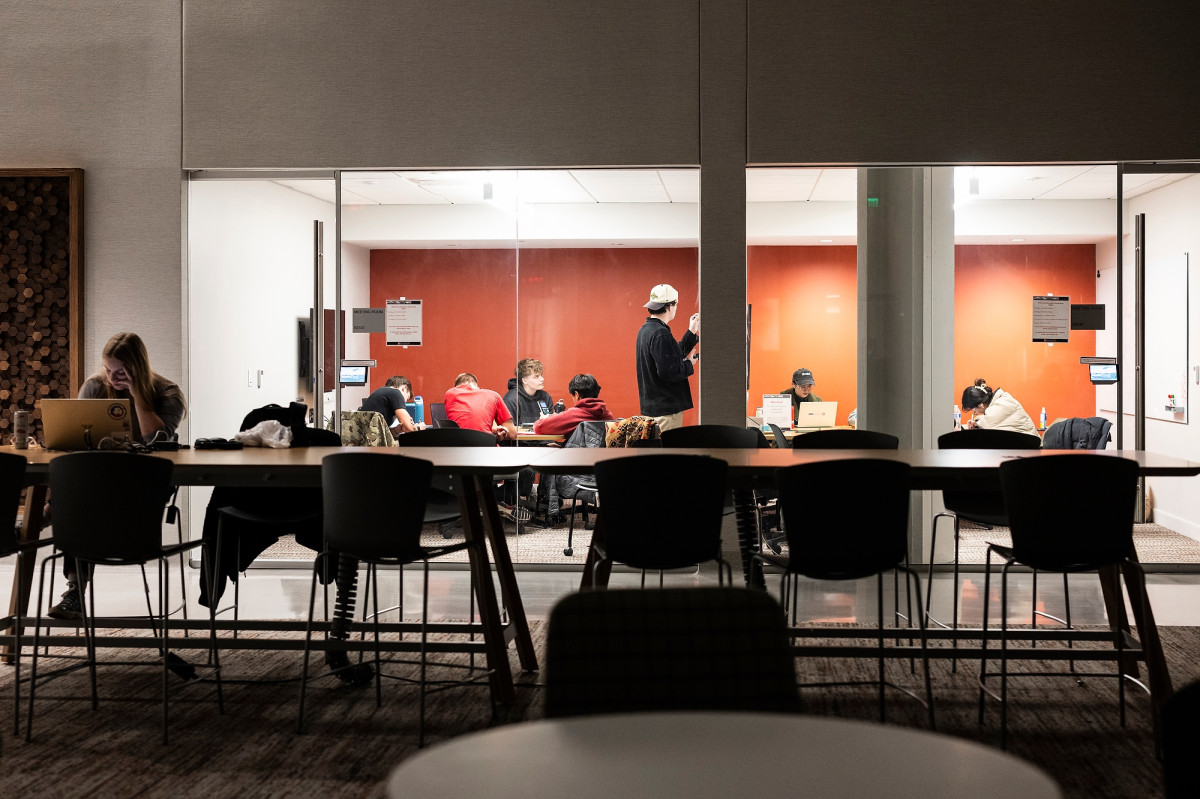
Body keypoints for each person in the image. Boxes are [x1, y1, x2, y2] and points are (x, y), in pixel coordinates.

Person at [49, 333, 186, 621]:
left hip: (142, 487)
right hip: (99, 482)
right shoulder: (95, 387)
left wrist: (137, 394)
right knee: (81, 487)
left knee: (79, 502)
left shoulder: (167, 394)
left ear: (138, 366)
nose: (112, 378)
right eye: (108, 370)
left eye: (121, 372)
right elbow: (77, 437)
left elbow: (156, 438)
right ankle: (74, 590)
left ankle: (42, 521)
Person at [635, 283, 700, 433]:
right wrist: (689, 364)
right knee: (666, 454)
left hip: (654, 409)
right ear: (670, 306)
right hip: (666, 411)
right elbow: (668, 372)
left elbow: (670, 356)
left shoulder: (646, 330)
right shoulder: (661, 333)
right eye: (676, 304)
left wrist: (691, 331)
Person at [533, 373, 615, 437]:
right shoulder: (608, 415)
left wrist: (544, 419)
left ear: (576, 395)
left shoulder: (573, 415)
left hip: (576, 456)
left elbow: (539, 427)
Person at [443, 372, 518, 440]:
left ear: (456, 387)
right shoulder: (493, 395)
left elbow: (466, 429)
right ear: (477, 388)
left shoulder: (449, 394)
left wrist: (494, 429)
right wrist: (496, 430)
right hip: (486, 448)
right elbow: (513, 434)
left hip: (458, 450)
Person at [960, 378, 1039, 436]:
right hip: (1023, 444)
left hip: (1031, 446)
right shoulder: (999, 401)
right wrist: (976, 424)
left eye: (973, 410)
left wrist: (976, 424)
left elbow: (989, 422)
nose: (975, 413)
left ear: (981, 405)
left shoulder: (1002, 403)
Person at [359, 374, 425, 432]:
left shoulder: (378, 392)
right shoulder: (396, 393)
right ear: (404, 388)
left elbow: (378, 433)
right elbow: (410, 428)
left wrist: (397, 430)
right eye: (406, 399)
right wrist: (419, 427)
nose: (404, 403)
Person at [503, 358, 555, 426]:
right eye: (536, 377)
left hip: (542, 436)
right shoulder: (511, 399)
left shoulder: (546, 397)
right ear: (524, 381)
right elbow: (510, 430)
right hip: (519, 437)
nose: (542, 379)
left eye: (541, 375)